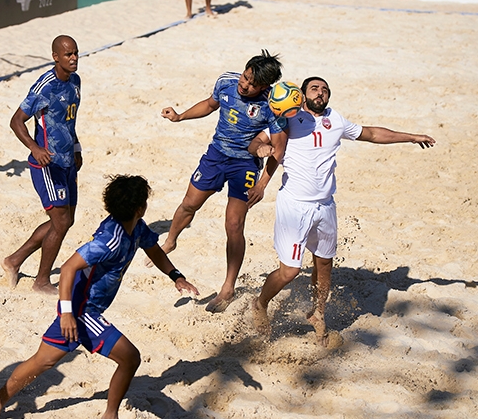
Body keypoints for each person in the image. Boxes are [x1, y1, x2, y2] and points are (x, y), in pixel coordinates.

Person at [0, 175, 199, 419]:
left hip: (81, 309)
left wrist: (175, 276)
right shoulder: (108, 240)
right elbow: (67, 268)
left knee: (44, 361)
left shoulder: (136, 227)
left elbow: (153, 249)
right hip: (82, 312)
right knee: (130, 357)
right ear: (139, 208)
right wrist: (66, 313)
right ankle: (110, 416)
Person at [249, 76, 436, 346]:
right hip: (294, 205)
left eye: (325, 89)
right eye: (314, 88)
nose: (320, 92)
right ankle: (261, 302)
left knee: (324, 263)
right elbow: (254, 143)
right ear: (301, 95)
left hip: (325, 205)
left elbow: (372, 134)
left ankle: (318, 313)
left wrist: (410, 137)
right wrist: (262, 149)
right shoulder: (286, 119)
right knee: (289, 271)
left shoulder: (335, 120)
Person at [154, 50, 287, 313]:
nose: (245, 84)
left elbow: (279, 151)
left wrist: (262, 184)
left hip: (245, 164)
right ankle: (171, 239)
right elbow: (210, 104)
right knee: (189, 204)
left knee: (234, 225)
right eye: (245, 76)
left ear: (264, 87)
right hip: (215, 155)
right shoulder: (227, 80)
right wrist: (180, 116)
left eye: (251, 84)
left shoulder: (272, 105)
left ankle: (228, 287)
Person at [0, 35, 83, 295]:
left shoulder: (76, 82)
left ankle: (13, 261)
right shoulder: (44, 86)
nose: (73, 58)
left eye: (76, 53)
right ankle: (41, 281)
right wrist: (35, 149)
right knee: (59, 222)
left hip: (68, 161)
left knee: (65, 221)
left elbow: (69, 121)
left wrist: (77, 148)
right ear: (55, 57)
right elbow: (16, 121)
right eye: (68, 54)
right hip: (46, 165)